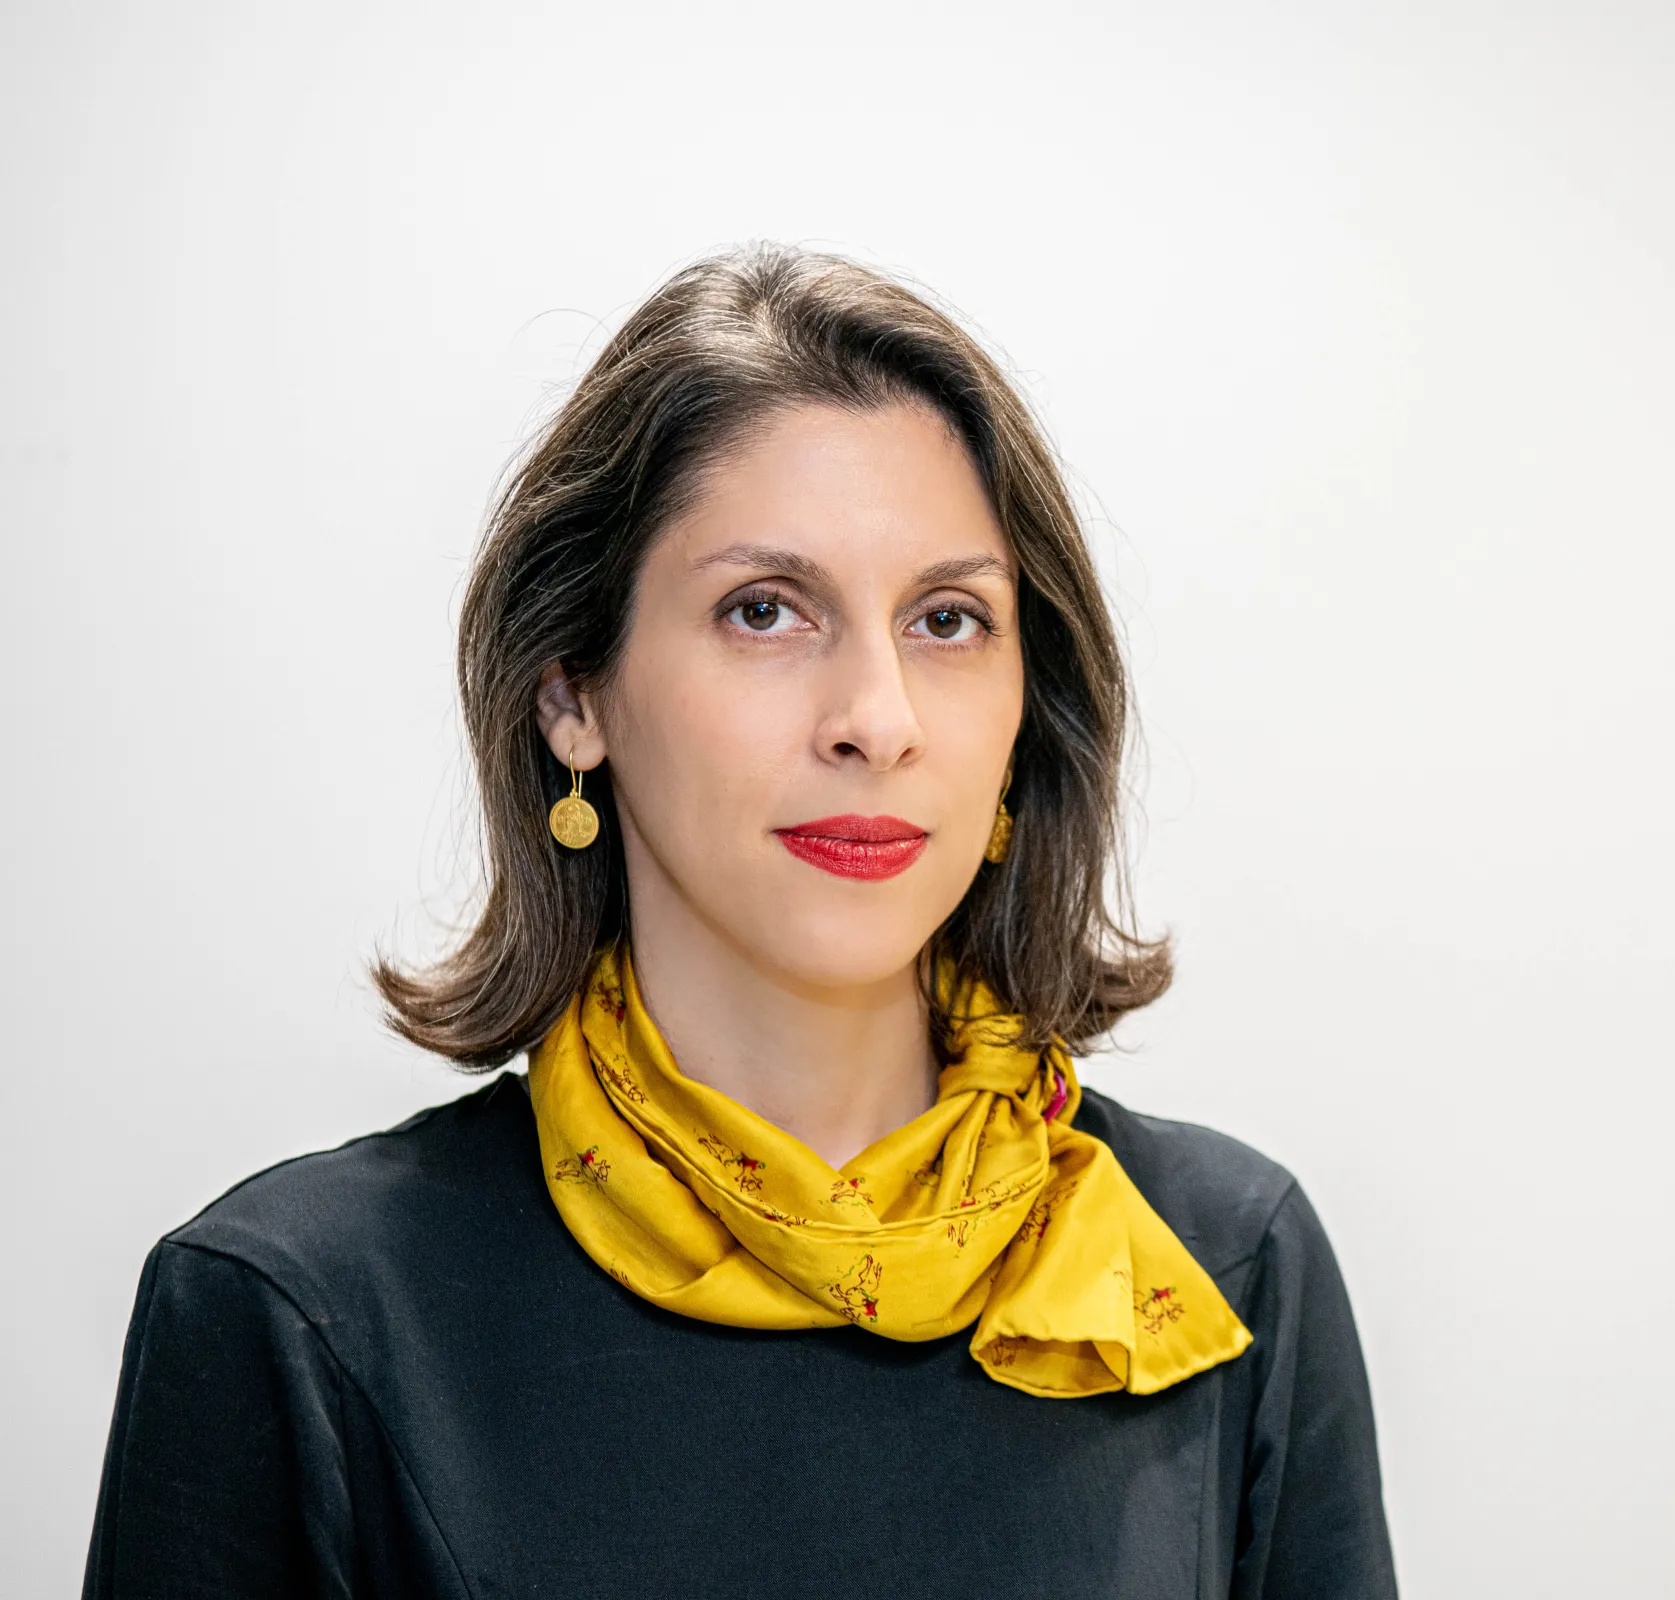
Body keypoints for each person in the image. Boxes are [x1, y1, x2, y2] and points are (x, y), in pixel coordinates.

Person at [80, 246, 1397, 1599]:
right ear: (573, 696)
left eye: (948, 620)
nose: (877, 721)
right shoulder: (294, 1313)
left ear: (1024, 712)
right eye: (764, 611)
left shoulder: (1232, 1260)